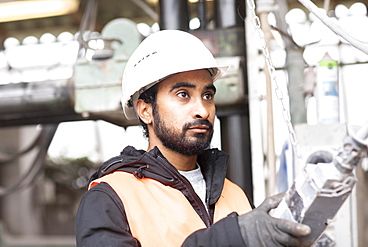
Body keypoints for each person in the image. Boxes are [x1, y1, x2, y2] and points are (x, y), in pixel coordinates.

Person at [75, 30, 311, 246]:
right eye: (183, 94)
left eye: (207, 95)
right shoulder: (110, 198)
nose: (202, 110)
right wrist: (235, 236)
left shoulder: (234, 194)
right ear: (145, 110)